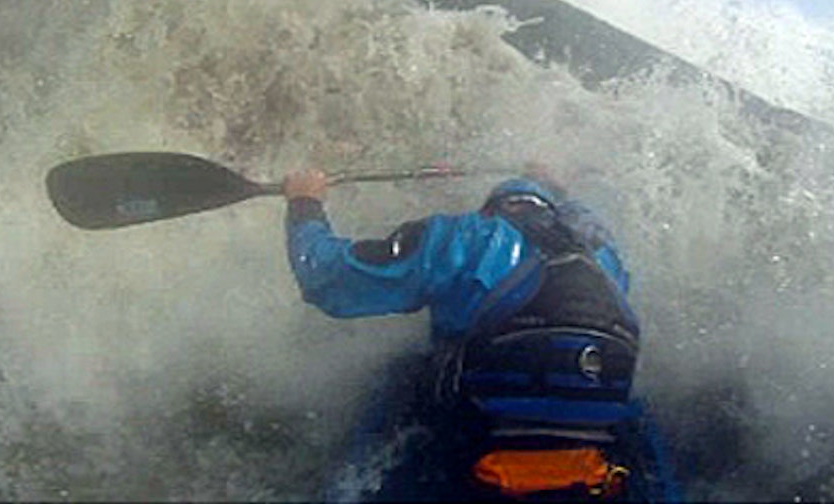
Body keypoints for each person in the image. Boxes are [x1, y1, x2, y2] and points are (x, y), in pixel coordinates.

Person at [282, 164, 667, 501]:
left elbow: (327, 278)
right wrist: (553, 185)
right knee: (632, 407)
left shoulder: (464, 237)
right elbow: (579, 214)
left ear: (491, 210)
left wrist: (304, 203)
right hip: (593, 459)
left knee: (402, 372)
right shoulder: (603, 255)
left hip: (473, 446)